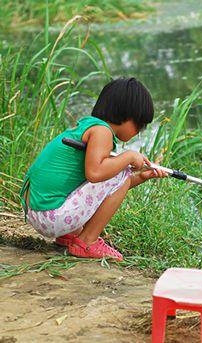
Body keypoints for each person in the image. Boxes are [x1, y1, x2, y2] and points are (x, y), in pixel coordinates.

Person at [20, 77, 167, 261]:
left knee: (119, 173)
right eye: (140, 125)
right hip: (50, 216)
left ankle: (70, 235)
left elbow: (107, 189)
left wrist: (143, 176)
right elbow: (96, 174)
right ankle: (87, 242)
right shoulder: (102, 132)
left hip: (37, 211)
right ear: (126, 115)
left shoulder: (88, 126)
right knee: (120, 172)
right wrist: (128, 157)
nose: (140, 131)